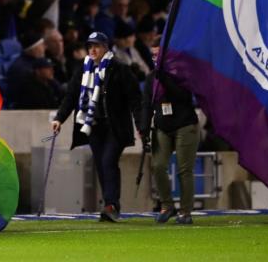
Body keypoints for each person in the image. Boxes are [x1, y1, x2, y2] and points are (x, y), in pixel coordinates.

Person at [51, 31, 141, 222]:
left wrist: (141, 126)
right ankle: (110, 205)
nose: (92, 49)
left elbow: (135, 99)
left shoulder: (120, 69)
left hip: (115, 126)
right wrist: (60, 118)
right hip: (94, 126)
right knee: (101, 164)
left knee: (108, 161)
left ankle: (111, 205)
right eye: (90, 46)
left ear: (106, 48)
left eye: (96, 46)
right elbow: (71, 96)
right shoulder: (83, 69)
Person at [142, 46, 199, 225]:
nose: (155, 57)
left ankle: (185, 211)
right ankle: (167, 205)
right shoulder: (151, 78)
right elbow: (146, 104)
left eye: (158, 54)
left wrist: (165, 78)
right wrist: (143, 127)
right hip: (162, 126)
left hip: (185, 124)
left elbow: (184, 97)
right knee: (158, 165)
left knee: (184, 169)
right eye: (153, 54)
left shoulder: (180, 73)